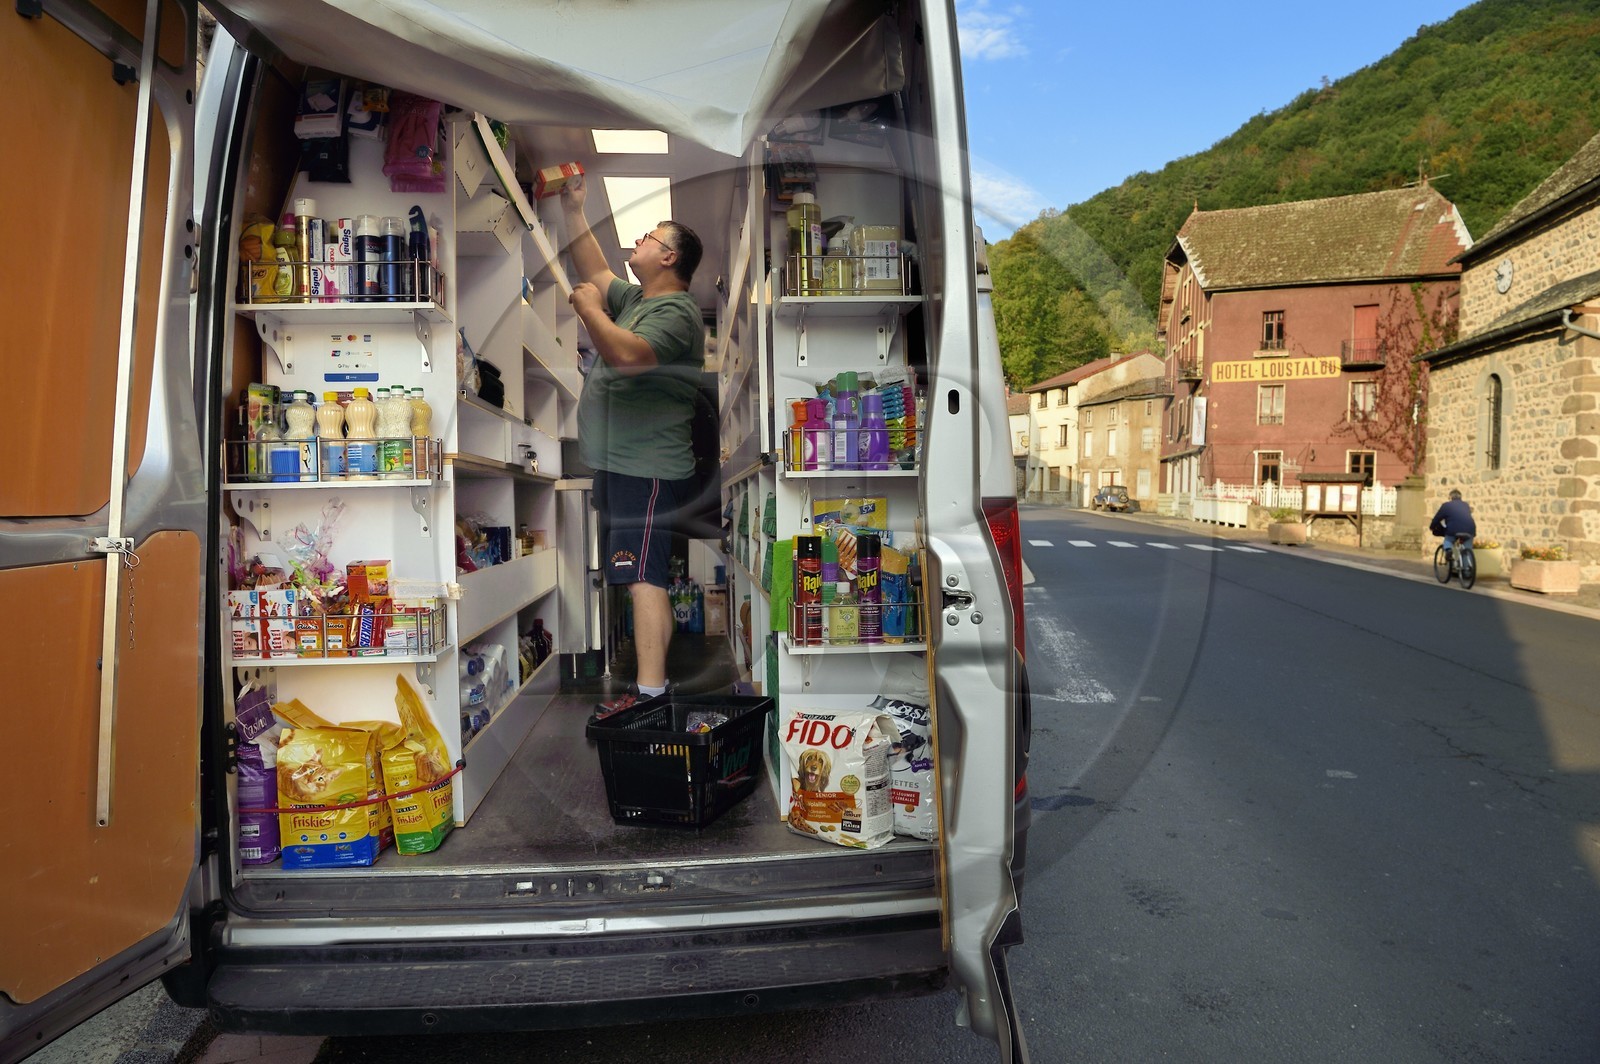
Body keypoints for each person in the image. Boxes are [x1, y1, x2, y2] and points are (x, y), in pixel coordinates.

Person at [560, 175, 705, 714]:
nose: (638, 240)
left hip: (646, 469)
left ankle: (647, 698)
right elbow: (595, 270)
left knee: (642, 576)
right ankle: (653, 690)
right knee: (646, 576)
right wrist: (575, 209)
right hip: (627, 467)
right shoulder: (641, 300)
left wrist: (589, 311)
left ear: (668, 257)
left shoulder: (677, 313)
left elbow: (629, 357)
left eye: (648, 236)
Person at [1429, 489, 1477, 553]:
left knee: (1448, 540)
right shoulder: (1466, 505)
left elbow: (1437, 518)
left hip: (1453, 530)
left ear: (1450, 497)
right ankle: (1468, 560)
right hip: (1470, 530)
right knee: (1467, 550)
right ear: (1460, 497)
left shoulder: (1446, 505)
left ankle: (1449, 551)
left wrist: (1432, 527)